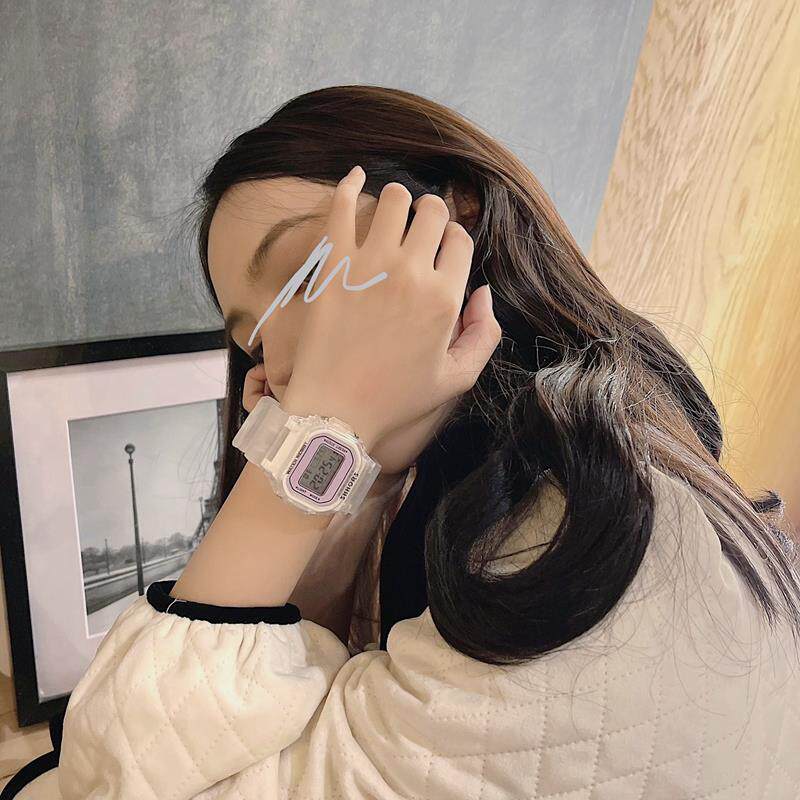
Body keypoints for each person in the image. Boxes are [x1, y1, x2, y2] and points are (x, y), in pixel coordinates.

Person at [6, 85, 799, 800]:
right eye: (252, 341)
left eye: (302, 272)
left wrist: (314, 439)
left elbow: (121, 780)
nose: (273, 365)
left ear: (457, 219)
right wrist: (359, 477)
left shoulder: (576, 529)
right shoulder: (477, 478)